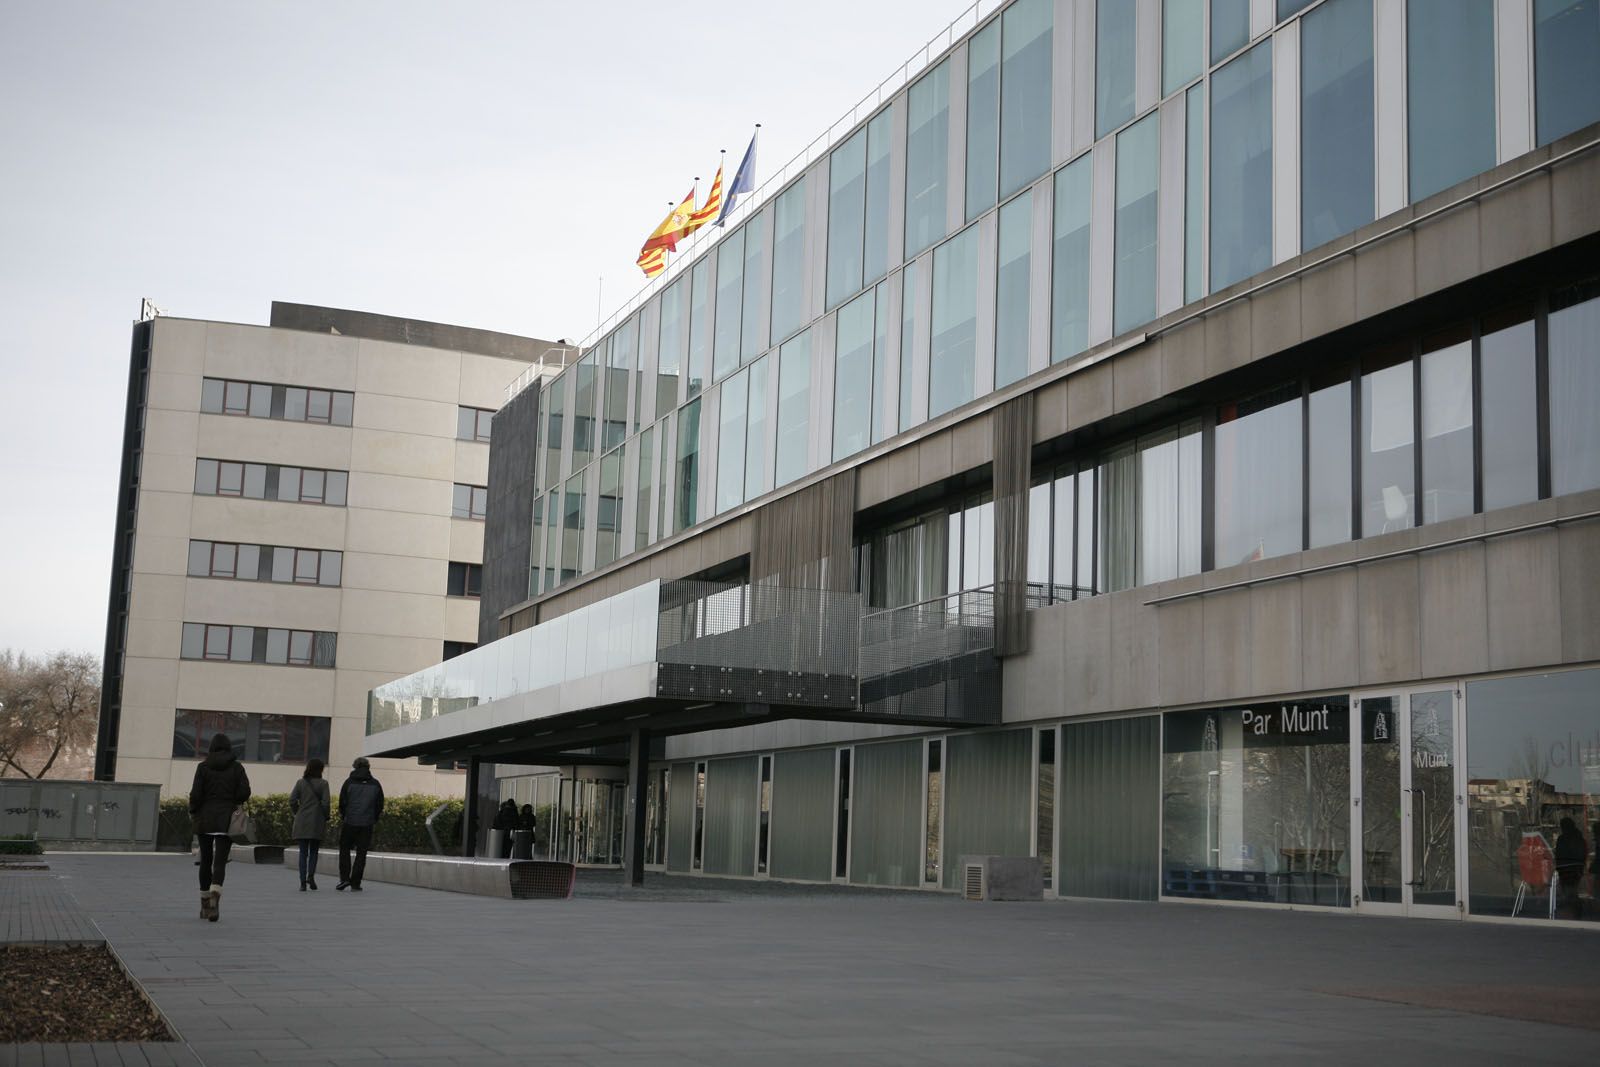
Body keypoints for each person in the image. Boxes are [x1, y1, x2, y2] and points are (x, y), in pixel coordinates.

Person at [188, 733, 251, 922]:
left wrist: (194, 810)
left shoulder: (203, 767)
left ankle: (205, 905)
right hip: (226, 819)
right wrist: (233, 799)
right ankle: (216, 896)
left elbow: (196, 794)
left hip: (205, 818)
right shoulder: (237, 767)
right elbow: (244, 792)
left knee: (205, 861)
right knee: (220, 862)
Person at [336, 757, 384, 891]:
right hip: (367, 823)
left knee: (344, 849)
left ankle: (344, 878)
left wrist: (345, 816)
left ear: (355, 767)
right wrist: (373, 818)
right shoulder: (375, 784)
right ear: (368, 767)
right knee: (361, 853)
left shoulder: (349, 783)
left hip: (350, 822)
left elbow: (342, 803)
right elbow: (379, 804)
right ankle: (356, 882)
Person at [289, 758, 331, 891]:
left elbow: (292, 800)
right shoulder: (323, 784)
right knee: (314, 851)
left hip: (302, 820)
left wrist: (297, 812)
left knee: (303, 852)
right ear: (320, 770)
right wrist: (325, 816)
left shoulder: (300, 783)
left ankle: (302, 882)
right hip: (316, 821)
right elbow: (326, 803)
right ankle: (311, 876)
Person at [1554, 817, 1588, 920]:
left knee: (1569, 894)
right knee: (1571, 893)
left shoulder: (1563, 839)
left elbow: (1559, 855)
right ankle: (1575, 914)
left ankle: (1572, 914)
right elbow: (1582, 856)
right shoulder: (1580, 839)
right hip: (1574, 871)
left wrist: (1560, 867)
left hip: (1567, 871)